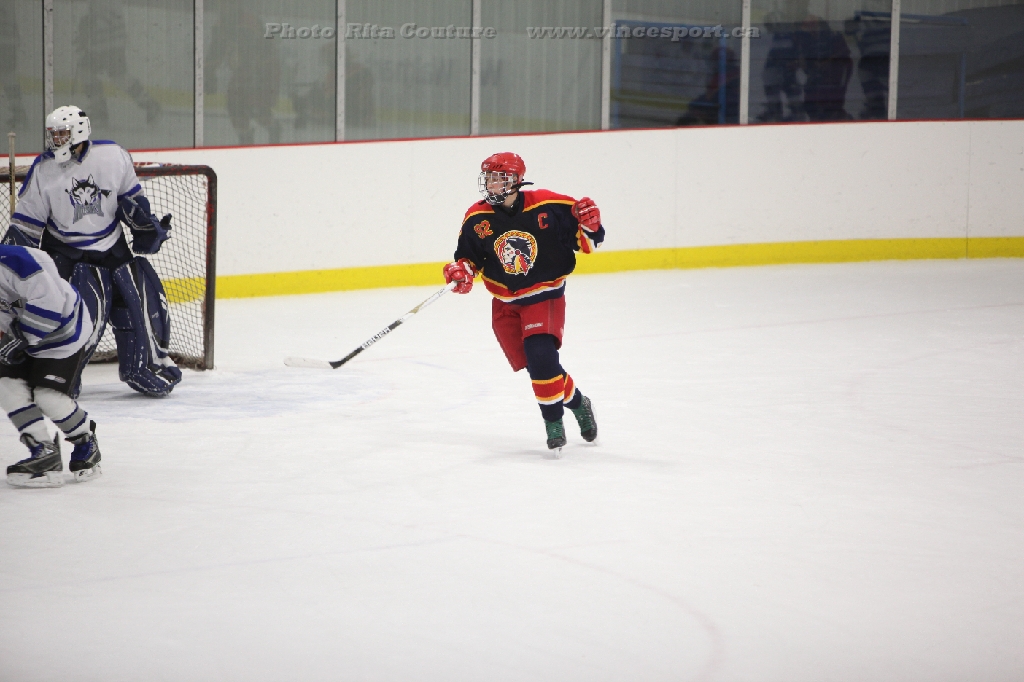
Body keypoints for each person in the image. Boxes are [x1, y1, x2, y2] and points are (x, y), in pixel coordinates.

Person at [4, 105, 181, 397]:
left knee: (139, 308)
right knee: (71, 320)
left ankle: (147, 367)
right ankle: (54, 375)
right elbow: (27, 226)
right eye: (53, 134)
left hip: (113, 248)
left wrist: (144, 224)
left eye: (61, 133)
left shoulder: (113, 156)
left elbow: (131, 198)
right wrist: (12, 263)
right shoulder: (44, 169)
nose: (55, 140)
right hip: (66, 253)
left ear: (79, 131)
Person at [443, 152, 604, 455]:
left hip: (544, 296)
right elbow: (469, 258)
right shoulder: (477, 217)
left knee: (541, 357)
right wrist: (461, 271)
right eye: (489, 178)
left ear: (517, 180)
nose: (491, 184)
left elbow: (589, 242)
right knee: (541, 369)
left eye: (499, 178)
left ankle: (553, 425)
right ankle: (579, 403)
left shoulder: (548, 204)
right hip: (504, 304)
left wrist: (591, 226)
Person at [0, 244, 101, 487]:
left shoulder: (17, 261)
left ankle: (85, 441)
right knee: (5, 385)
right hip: (21, 334)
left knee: (47, 397)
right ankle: (43, 451)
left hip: (64, 333)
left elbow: (51, 304)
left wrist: (20, 339)